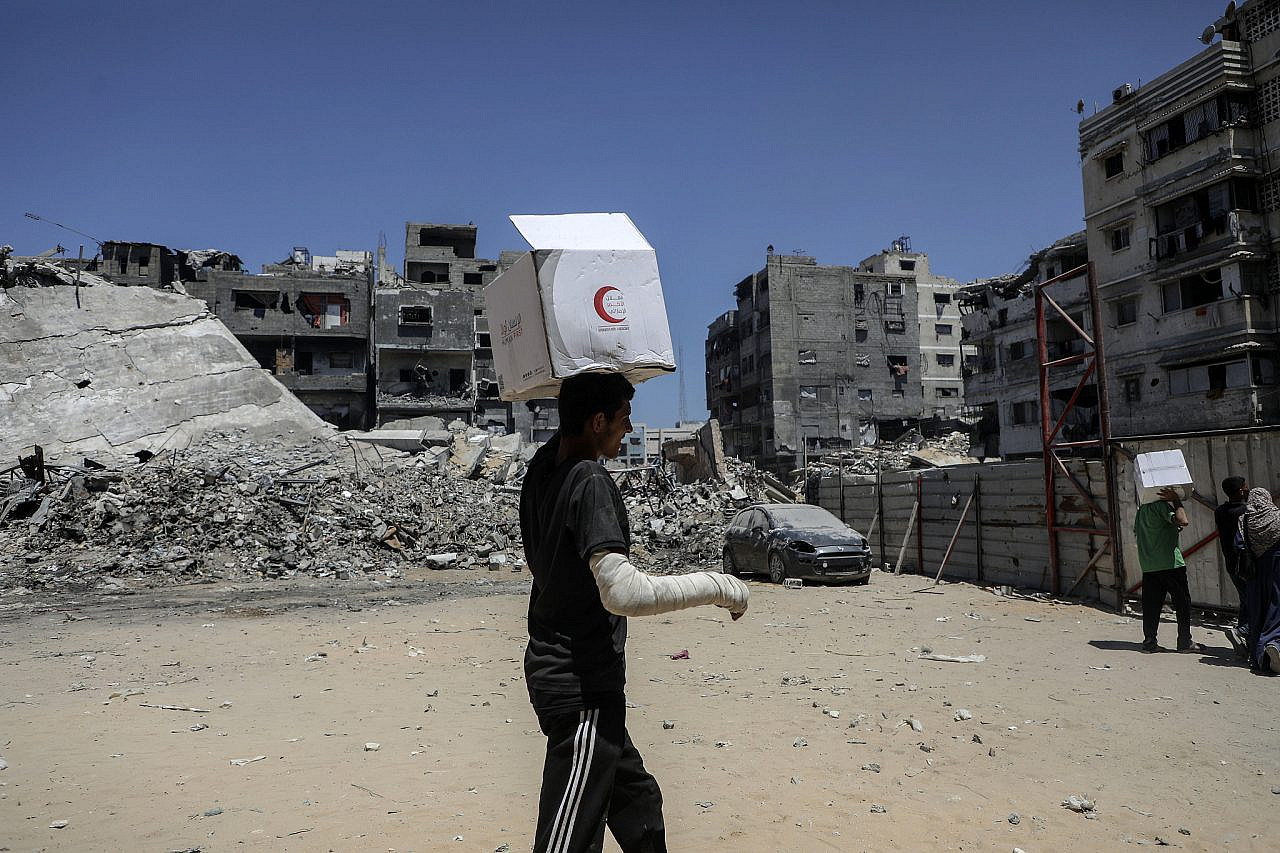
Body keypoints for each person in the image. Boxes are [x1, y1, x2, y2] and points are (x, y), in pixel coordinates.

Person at [520, 372, 749, 853]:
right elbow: (622, 593)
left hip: (569, 675)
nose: (628, 429)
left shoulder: (542, 472)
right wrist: (715, 586)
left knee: (637, 803)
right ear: (597, 421)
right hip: (579, 685)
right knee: (568, 838)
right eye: (623, 418)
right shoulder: (589, 480)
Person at [1134, 486, 1199, 653]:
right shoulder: (1161, 506)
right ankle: (1184, 642)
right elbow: (1183, 520)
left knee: (1151, 606)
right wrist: (1176, 499)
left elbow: (1143, 532)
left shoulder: (1141, 511)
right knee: (1182, 603)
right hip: (1170, 564)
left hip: (1149, 566)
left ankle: (1149, 643)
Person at [1241, 486, 1280, 673]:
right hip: (1277, 569)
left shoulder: (1245, 520)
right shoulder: (1277, 517)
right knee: (1276, 610)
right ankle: (1273, 644)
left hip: (1255, 574)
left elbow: (1238, 545)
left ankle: (1258, 658)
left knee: (1258, 613)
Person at [1214, 476, 1250, 655]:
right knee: (1255, 600)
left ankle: (1244, 639)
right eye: (1245, 486)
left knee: (1246, 600)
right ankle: (1242, 632)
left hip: (1232, 564)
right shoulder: (1244, 512)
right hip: (1247, 565)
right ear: (1241, 491)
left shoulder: (1220, 511)